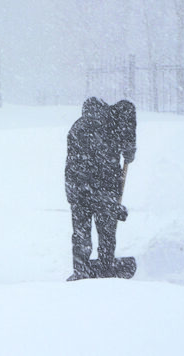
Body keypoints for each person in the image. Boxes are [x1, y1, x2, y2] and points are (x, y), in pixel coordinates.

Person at [65, 97, 136, 280]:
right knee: (107, 234)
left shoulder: (76, 128)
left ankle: (81, 270)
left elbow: (71, 165)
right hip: (103, 190)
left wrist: (72, 194)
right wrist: (129, 149)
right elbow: (108, 165)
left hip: (79, 189)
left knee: (81, 234)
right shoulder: (111, 126)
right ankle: (106, 267)